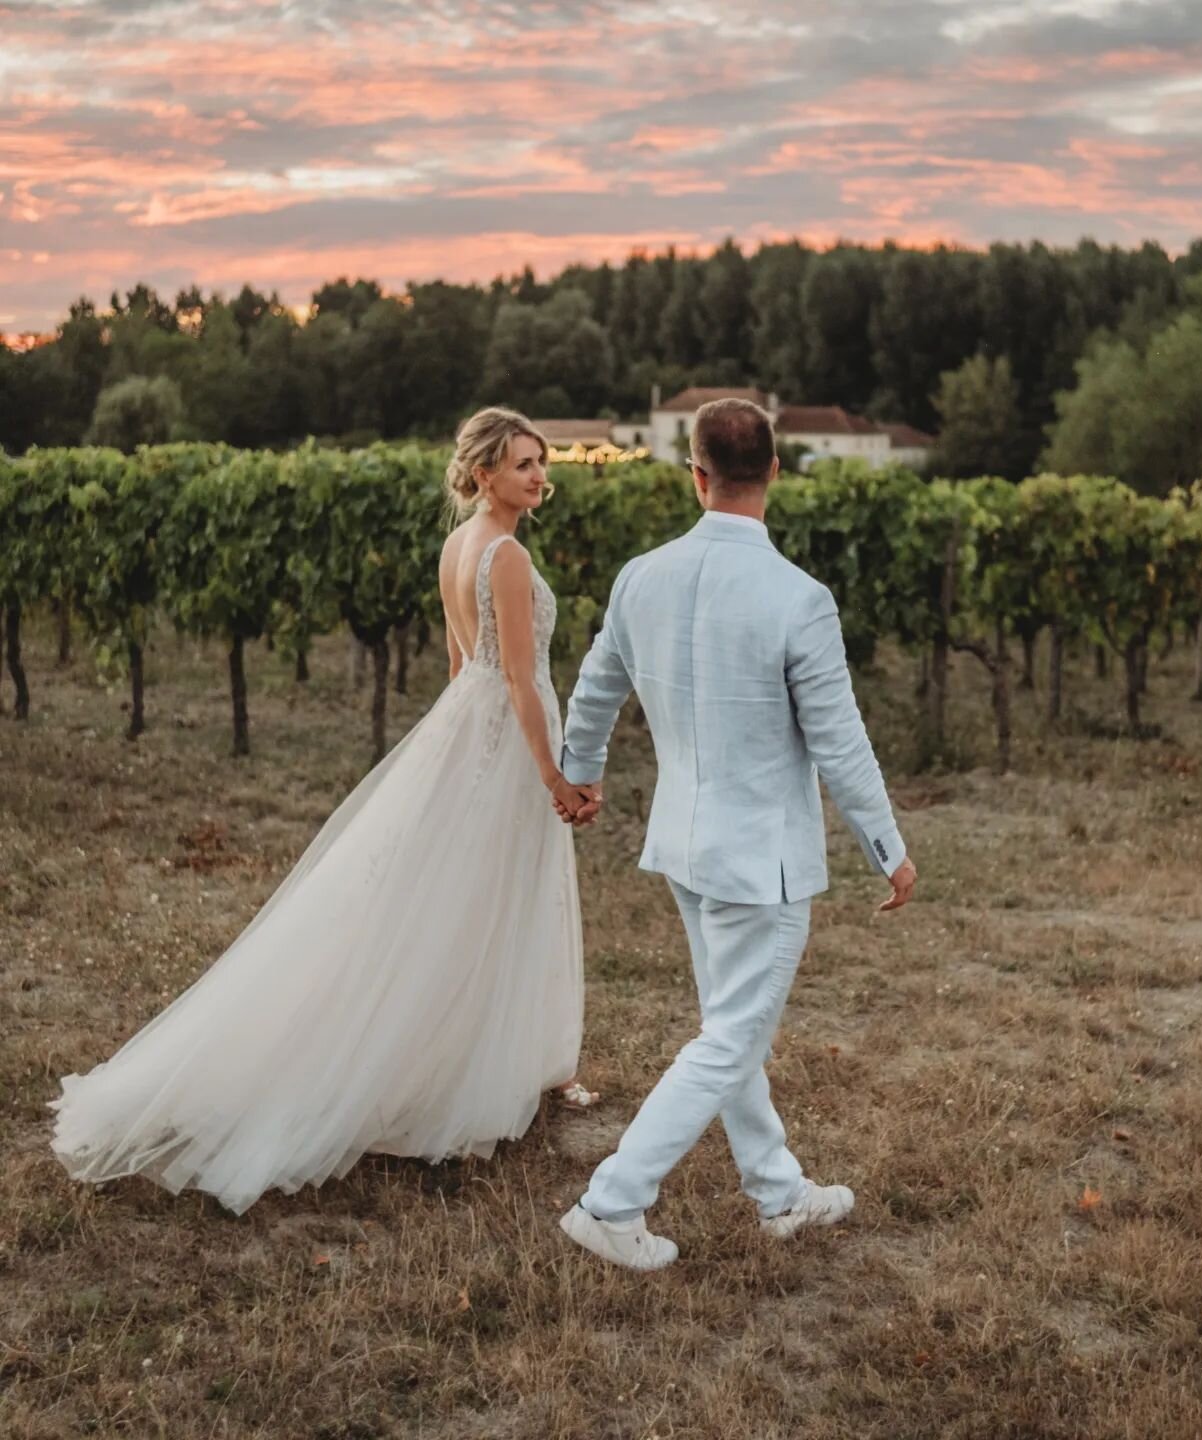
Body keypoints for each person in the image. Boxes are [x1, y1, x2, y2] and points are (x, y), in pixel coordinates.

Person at [50, 407, 598, 1216]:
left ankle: (478, 1055)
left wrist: (459, 758)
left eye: (539, 462)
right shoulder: (507, 554)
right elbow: (517, 678)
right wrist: (552, 774)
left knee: (454, 901)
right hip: (508, 738)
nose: (536, 475)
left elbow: (459, 667)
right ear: (483, 473)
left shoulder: (458, 546)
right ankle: (460, 1072)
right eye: (521, 463)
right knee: (489, 903)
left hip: (465, 732)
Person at [555, 397, 917, 1270]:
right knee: (730, 1039)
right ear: (776, 475)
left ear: (696, 474)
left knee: (731, 1027)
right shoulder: (800, 598)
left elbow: (597, 685)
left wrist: (580, 767)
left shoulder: (641, 575)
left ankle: (778, 1192)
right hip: (764, 863)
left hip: (685, 844)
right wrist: (889, 848)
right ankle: (612, 1203)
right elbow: (839, 739)